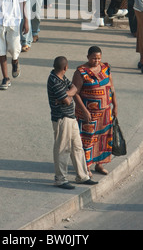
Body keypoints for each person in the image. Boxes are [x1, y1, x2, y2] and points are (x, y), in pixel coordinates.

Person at [47, 55, 97, 189]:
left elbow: (74, 89)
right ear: (65, 67)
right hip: (62, 118)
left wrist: (66, 94)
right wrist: (68, 95)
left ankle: (82, 176)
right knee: (63, 149)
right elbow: (68, 100)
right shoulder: (54, 80)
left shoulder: (61, 78)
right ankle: (60, 179)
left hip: (71, 117)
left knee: (77, 147)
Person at [72, 46, 118, 176]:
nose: (96, 61)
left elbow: (112, 87)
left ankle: (100, 164)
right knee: (87, 140)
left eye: (98, 58)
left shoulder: (105, 68)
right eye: (93, 58)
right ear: (88, 57)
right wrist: (84, 111)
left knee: (103, 138)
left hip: (105, 112)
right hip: (88, 114)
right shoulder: (81, 72)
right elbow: (75, 93)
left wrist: (115, 105)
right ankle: (86, 166)